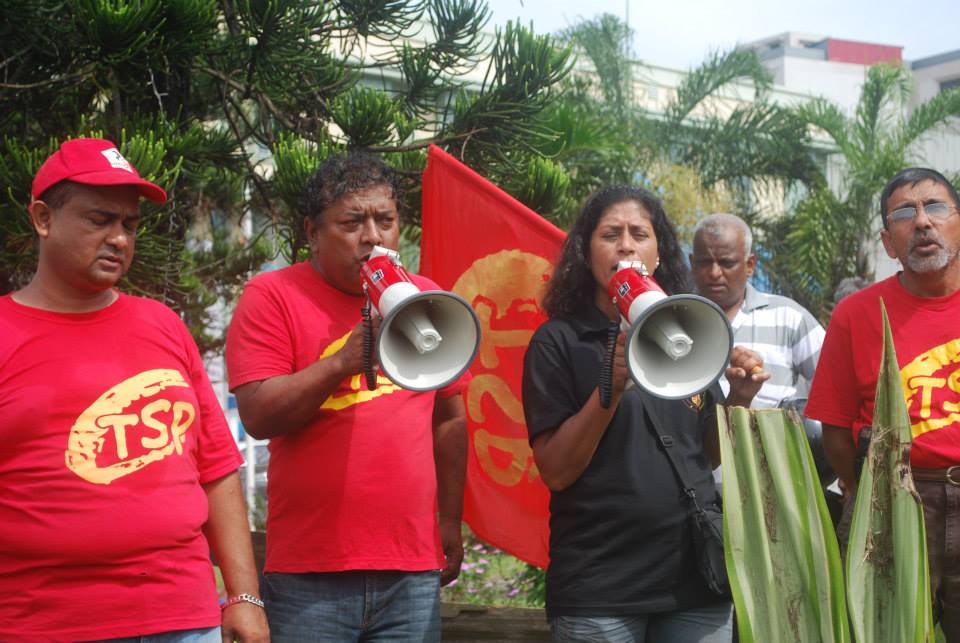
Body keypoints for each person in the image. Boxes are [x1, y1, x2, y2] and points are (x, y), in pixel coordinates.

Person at [0, 138, 269, 643]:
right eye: (99, 220)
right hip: (46, 624)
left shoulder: (163, 324)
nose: (119, 239)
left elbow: (215, 469)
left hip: (184, 618)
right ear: (43, 218)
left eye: (129, 224)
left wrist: (244, 597)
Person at [225, 150, 468, 642]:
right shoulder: (273, 296)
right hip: (310, 574)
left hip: (410, 570)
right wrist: (340, 364)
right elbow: (258, 415)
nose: (373, 236)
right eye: (352, 222)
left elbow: (450, 419)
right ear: (312, 232)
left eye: (386, 220)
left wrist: (449, 519)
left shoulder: (428, 299)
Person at [522, 185, 767, 643]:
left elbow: (705, 454)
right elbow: (556, 470)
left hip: (694, 584)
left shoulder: (684, 331)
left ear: (658, 253)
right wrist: (610, 389)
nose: (626, 245)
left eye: (639, 234)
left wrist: (738, 398)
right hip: (601, 588)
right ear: (585, 253)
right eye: (609, 234)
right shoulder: (559, 342)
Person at [806, 167, 960, 641]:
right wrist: (867, 491)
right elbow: (835, 429)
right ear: (888, 243)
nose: (923, 222)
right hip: (892, 501)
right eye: (904, 213)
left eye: (936, 207)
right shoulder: (855, 314)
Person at [690, 213, 825, 409]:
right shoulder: (672, 320)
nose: (714, 273)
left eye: (727, 263)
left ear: (750, 265)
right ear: (692, 263)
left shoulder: (788, 318)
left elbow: (836, 383)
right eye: (704, 262)